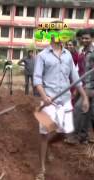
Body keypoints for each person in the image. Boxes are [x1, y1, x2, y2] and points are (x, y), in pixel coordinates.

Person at [33, 34, 89, 180]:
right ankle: (42, 169)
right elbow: (37, 79)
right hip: (48, 101)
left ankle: (50, 145)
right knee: (44, 134)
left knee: (65, 133)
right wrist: (44, 97)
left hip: (65, 101)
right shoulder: (42, 56)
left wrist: (84, 97)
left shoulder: (68, 55)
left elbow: (75, 77)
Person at [69, 28, 94, 144]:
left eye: (87, 38)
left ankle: (76, 136)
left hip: (91, 87)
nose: (84, 40)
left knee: (80, 109)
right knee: (85, 111)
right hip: (82, 84)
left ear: (92, 38)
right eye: (83, 38)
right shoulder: (82, 50)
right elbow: (80, 70)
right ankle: (82, 136)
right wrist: (78, 87)